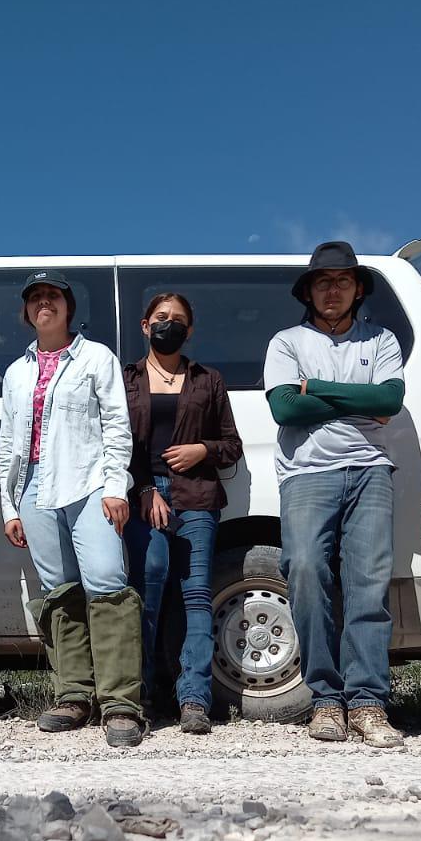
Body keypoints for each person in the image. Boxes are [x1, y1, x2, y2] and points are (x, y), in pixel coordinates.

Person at [264, 240, 406, 748]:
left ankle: (368, 703)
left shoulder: (382, 339)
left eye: (342, 280)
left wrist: (316, 390)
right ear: (309, 290)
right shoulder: (285, 342)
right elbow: (285, 411)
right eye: (322, 281)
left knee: (368, 584)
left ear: (357, 288)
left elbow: (389, 399)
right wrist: (358, 402)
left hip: (370, 469)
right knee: (303, 571)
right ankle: (326, 700)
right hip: (305, 472)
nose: (332, 289)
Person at [0, 269, 145, 748]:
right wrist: (9, 505)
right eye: (36, 297)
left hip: (87, 482)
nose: (45, 303)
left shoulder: (96, 357)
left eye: (53, 296)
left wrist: (115, 487)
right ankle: (73, 695)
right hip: (35, 487)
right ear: (26, 311)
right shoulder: (18, 371)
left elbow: (116, 428)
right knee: (59, 589)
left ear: (68, 308)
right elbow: (9, 444)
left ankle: (121, 703)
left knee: (106, 579)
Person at [122, 292, 242, 734]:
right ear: (145, 325)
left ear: (189, 331)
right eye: (160, 318)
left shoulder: (207, 379)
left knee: (195, 596)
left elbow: (232, 445)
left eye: (176, 320)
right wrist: (147, 487)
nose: (167, 325)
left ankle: (194, 698)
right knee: (147, 588)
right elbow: (117, 444)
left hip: (197, 498)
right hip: (143, 497)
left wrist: (201, 449)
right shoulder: (126, 378)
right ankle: (144, 694)